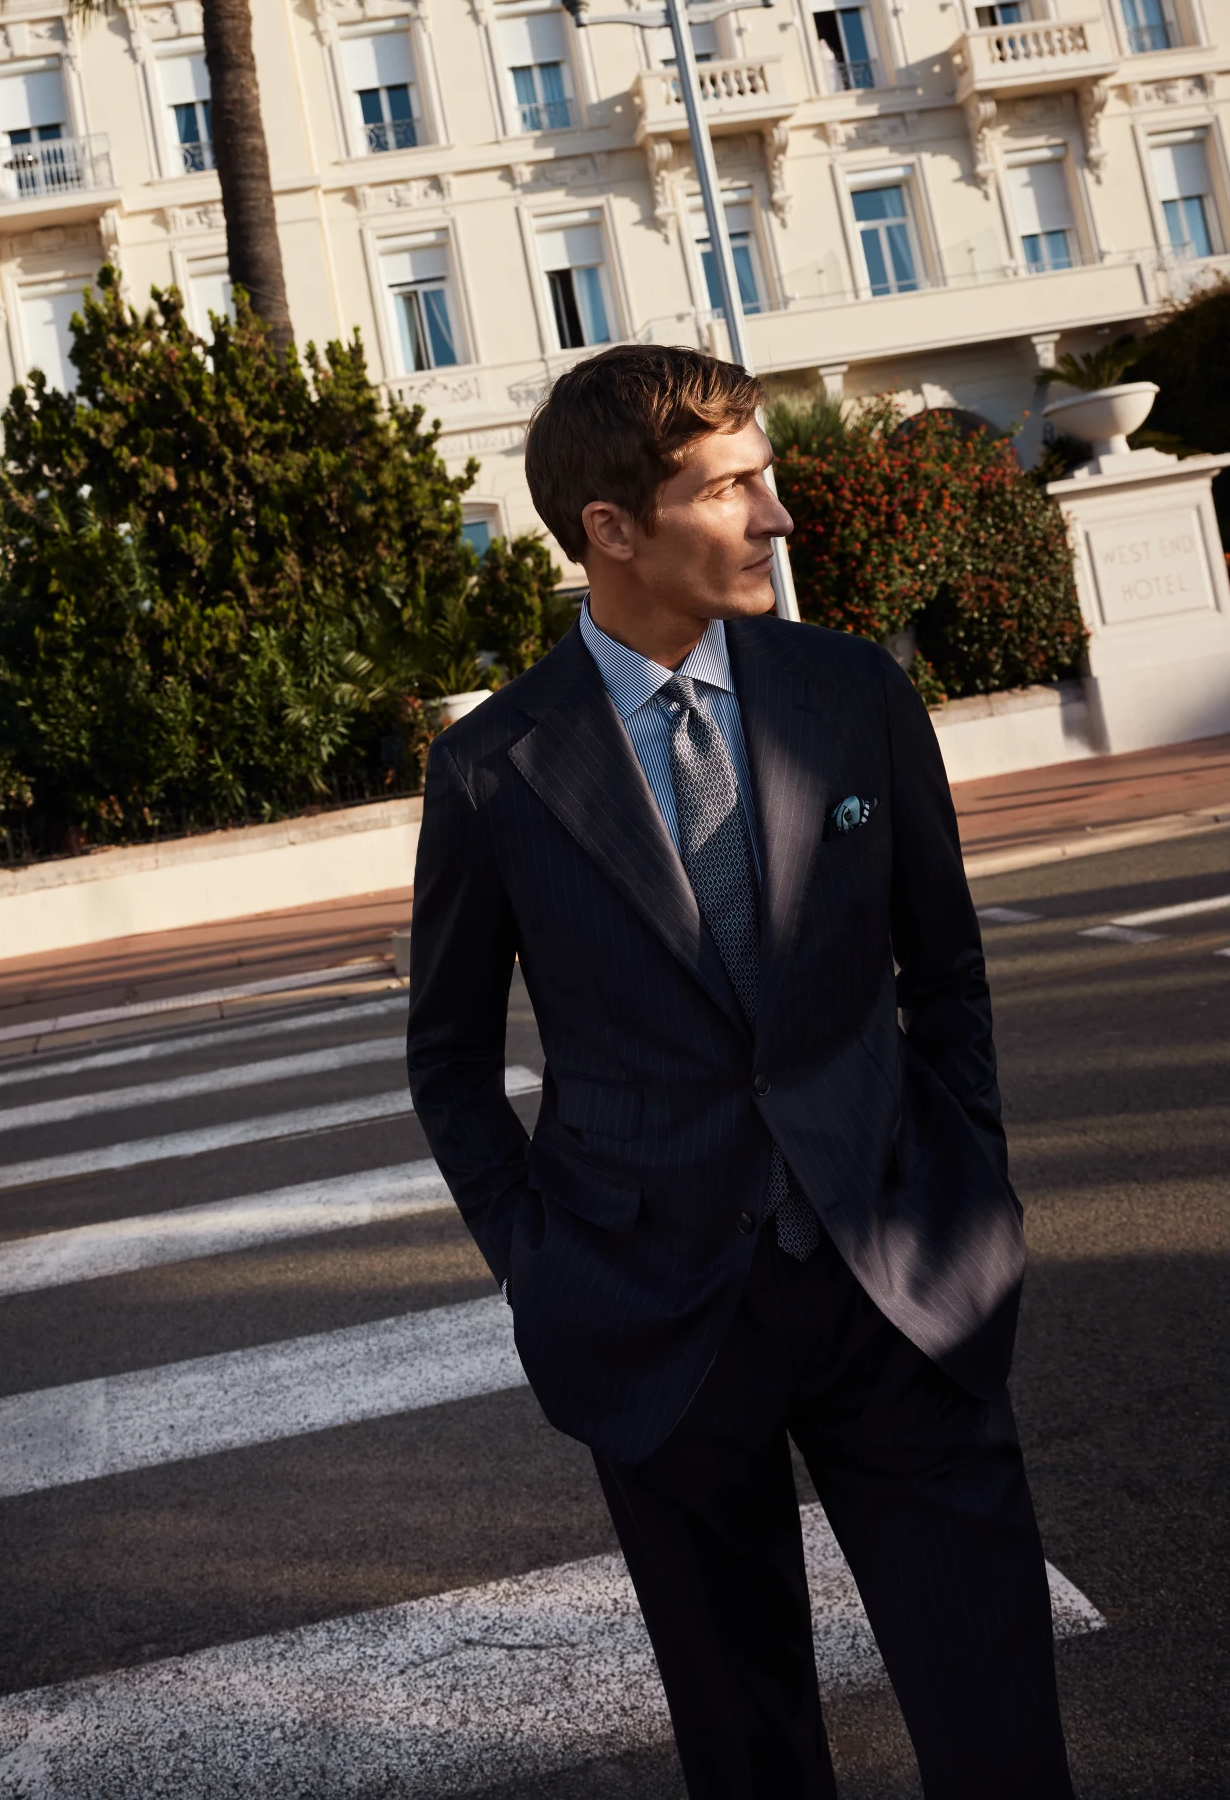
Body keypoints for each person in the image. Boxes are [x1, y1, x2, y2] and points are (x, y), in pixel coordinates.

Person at [406, 342, 1074, 1799]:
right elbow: (449, 1063)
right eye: (735, 487)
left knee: (999, 1723)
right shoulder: (493, 770)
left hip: (901, 1278)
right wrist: (540, 1261)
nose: (777, 516)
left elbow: (943, 973)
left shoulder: (854, 697)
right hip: (656, 1318)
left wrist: (969, 1187)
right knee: (749, 1745)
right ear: (614, 530)